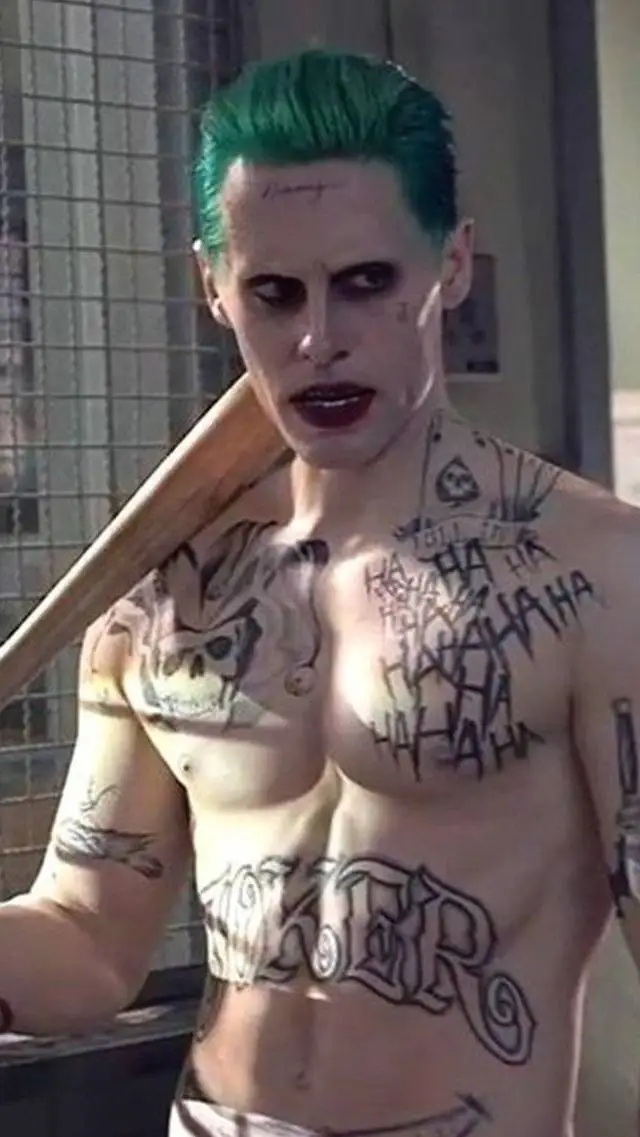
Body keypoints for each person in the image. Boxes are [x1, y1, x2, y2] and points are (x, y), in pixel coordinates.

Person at [0, 47, 637, 1137]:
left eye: (366, 282)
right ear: (213, 285)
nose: (319, 338)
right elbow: (90, 937)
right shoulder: (163, 589)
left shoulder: (596, 575)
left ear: (453, 265)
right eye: (274, 292)